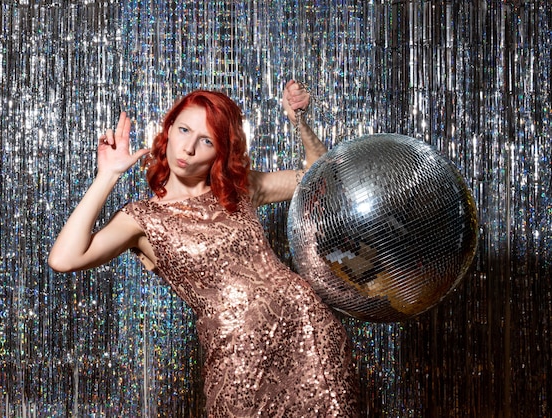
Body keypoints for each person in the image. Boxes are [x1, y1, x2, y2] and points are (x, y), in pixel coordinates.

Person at [49, 80, 360, 417]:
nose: (188, 149)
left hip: (310, 336)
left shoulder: (240, 189)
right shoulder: (141, 218)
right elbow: (64, 259)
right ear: (168, 130)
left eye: (206, 140)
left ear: (221, 150)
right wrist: (107, 175)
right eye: (183, 130)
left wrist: (299, 120)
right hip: (238, 359)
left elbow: (321, 178)